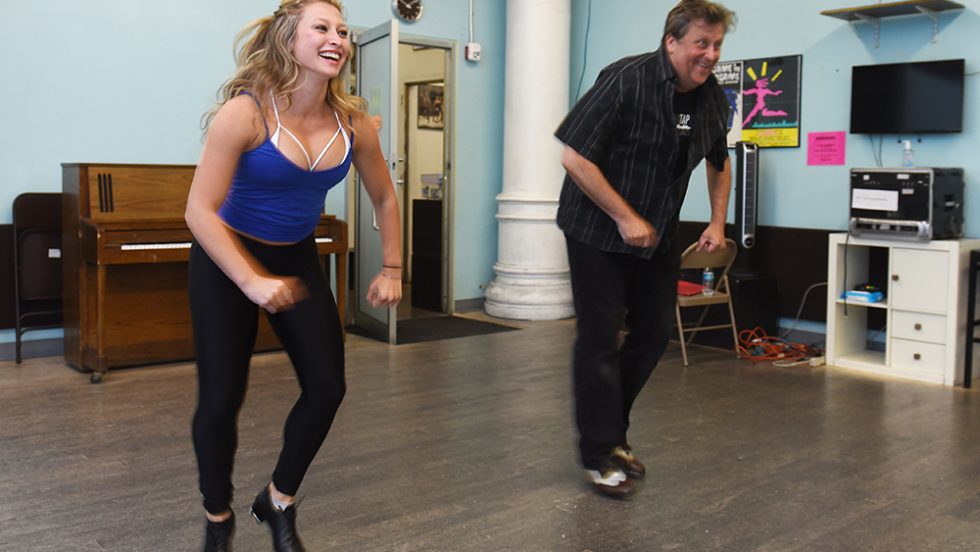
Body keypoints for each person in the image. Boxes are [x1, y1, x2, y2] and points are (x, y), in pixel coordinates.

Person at [185, 1, 402, 550]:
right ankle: (217, 518)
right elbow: (198, 212)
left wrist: (393, 266)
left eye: (344, 31)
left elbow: (383, 196)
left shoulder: (353, 124)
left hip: (296, 256)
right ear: (289, 38)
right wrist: (250, 281)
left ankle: (277, 500)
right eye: (323, 28)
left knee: (327, 388)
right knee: (219, 401)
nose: (338, 39)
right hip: (226, 257)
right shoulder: (247, 113)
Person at [554, 0, 736, 500]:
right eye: (702, 42)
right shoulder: (625, 79)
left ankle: (612, 433)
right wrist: (623, 216)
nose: (711, 54)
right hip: (595, 229)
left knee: (653, 335)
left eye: (717, 44)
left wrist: (718, 221)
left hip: (656, 233)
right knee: (599, 338)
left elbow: (719, 161)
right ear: (672, 41)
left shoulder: (714, 99)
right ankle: (598, 453)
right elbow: (574, 156)